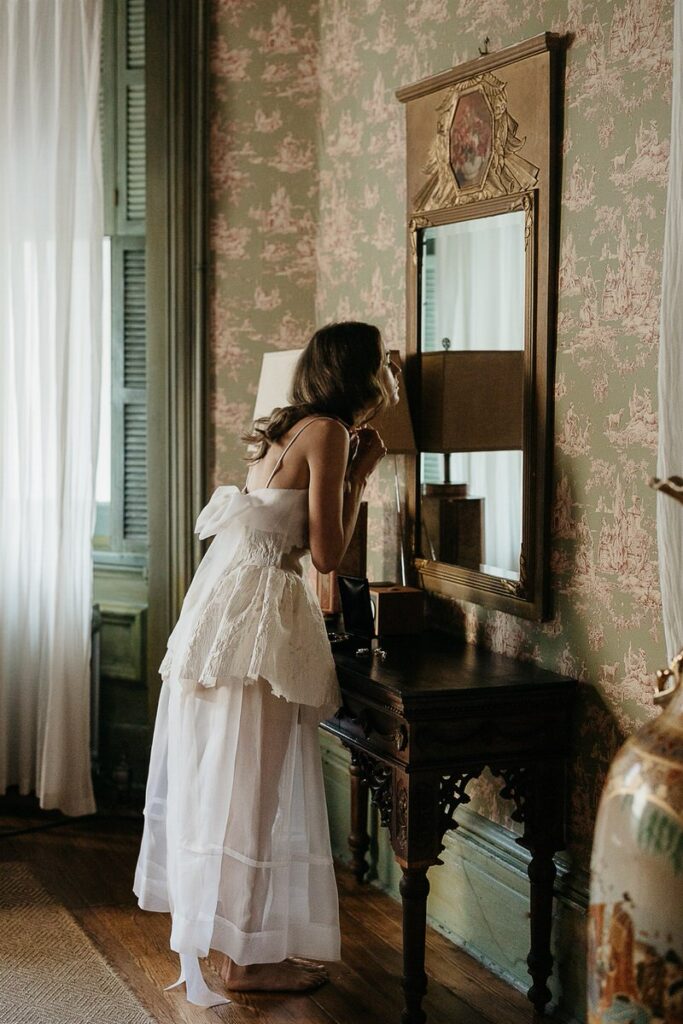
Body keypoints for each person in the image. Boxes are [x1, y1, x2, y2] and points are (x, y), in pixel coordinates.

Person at [133, 321, 401, 1005]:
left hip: (226, 616)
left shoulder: (286, 427)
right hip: (260, 625)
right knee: (252, 792)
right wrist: (364, 473)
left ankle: (230, 941)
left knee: (227, 782)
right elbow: (329, 554)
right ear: (360, 374)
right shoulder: (330, 434)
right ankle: (243, 962)